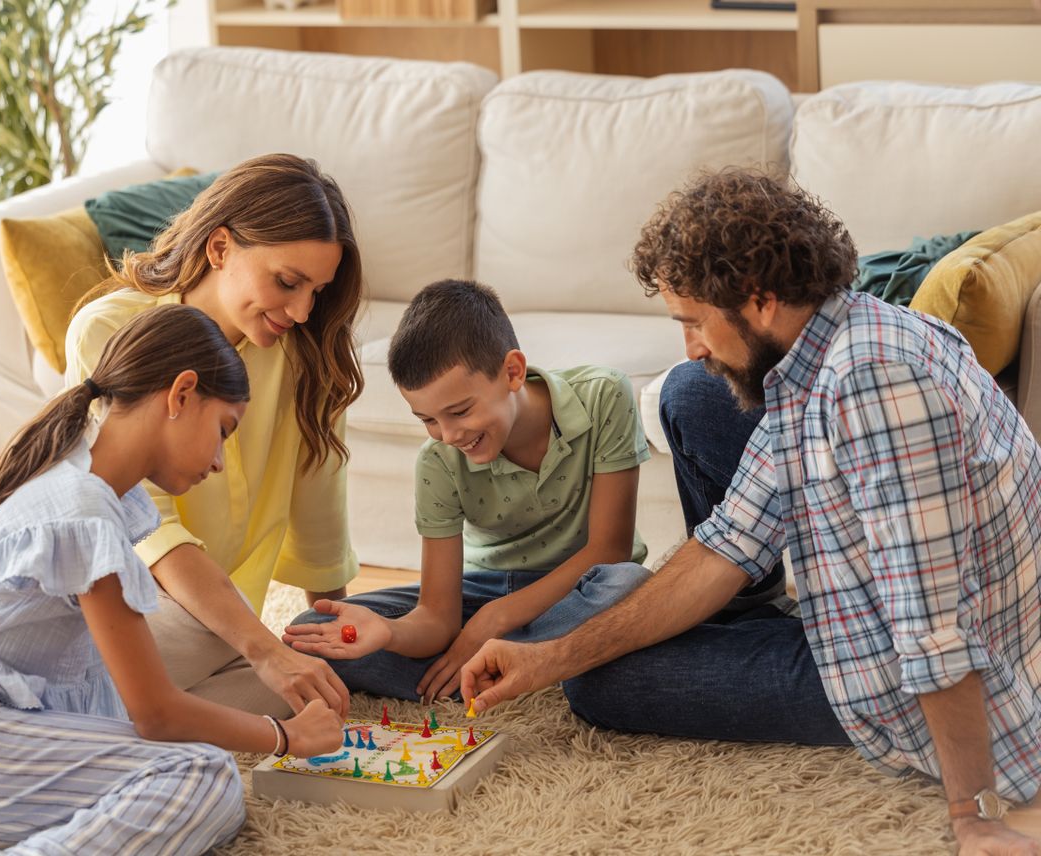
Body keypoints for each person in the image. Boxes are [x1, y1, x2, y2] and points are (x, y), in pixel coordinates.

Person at [460, 169, 1041, 855]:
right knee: (691, 394)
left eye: (694, 322)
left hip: (927, 684)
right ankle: (710, 620)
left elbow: (935, 628)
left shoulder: (872, 384)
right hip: (879, 618)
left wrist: (974, 813)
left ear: (760, 300)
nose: (693, 343)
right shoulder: (823, 350)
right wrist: (543, 657)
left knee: (599, 683)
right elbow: (725, 544)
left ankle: (665, 619)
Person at [0, 304, 343, 854]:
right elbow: (154, 714)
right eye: (223, 431)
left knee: (173, 759)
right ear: (181, 395)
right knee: (206, 776)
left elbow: (112, 700)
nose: (220, 462)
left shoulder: (91, 486)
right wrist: (286, 738)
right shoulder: (85, 512)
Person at [65, 153, 364, 719]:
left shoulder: (307, 354)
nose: (302, 311)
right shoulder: (110, 331)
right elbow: (143, 528)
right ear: (220, 247)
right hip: (123, 598)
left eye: (317, 292)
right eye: (287, 282)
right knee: (229, 654)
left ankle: (99, 709)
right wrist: (261, 646)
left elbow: (320, 508)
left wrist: (327, 632)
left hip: (215, 620)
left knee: (305, 695)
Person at [282, 279, 655, 704]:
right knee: (312, 633)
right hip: (483, 591)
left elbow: (610, 550)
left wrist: (492, 622)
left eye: (460, 411)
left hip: (582, 589)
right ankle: (537, 667)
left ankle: (510, 662)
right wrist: (389, 631)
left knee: (628, 584)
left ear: (512, 372)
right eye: (428, 420)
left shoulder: (604, 395)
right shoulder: (438, 461)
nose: (449, 434)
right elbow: (438, 618)